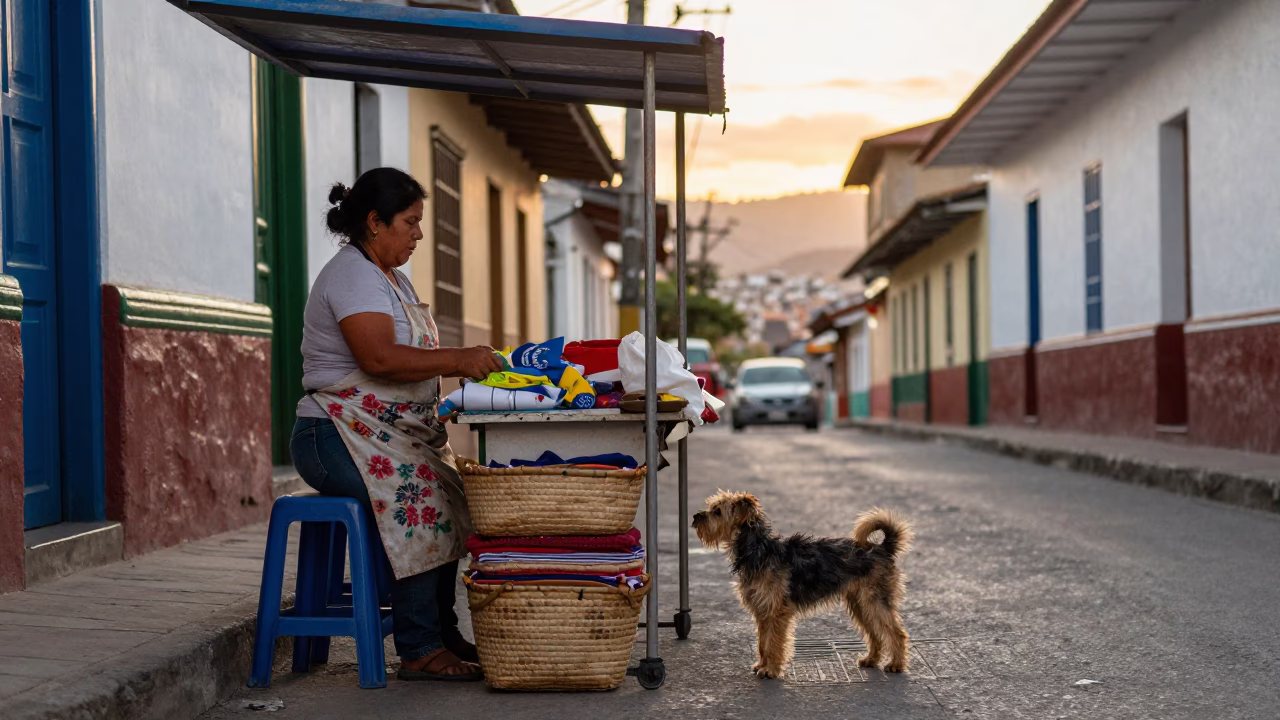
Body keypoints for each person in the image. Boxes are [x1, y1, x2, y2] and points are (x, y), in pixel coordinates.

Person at [290, 168, 503, 681]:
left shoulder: (392, 278)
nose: (419, 234)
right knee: (419, 495)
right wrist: (458, 359)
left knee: (454, 490)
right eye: (410, 222)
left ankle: (441, 630)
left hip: (384, 432)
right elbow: (380, 359)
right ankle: (418, 647)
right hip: (332, 436)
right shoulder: (351, 274)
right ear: (374, 221)